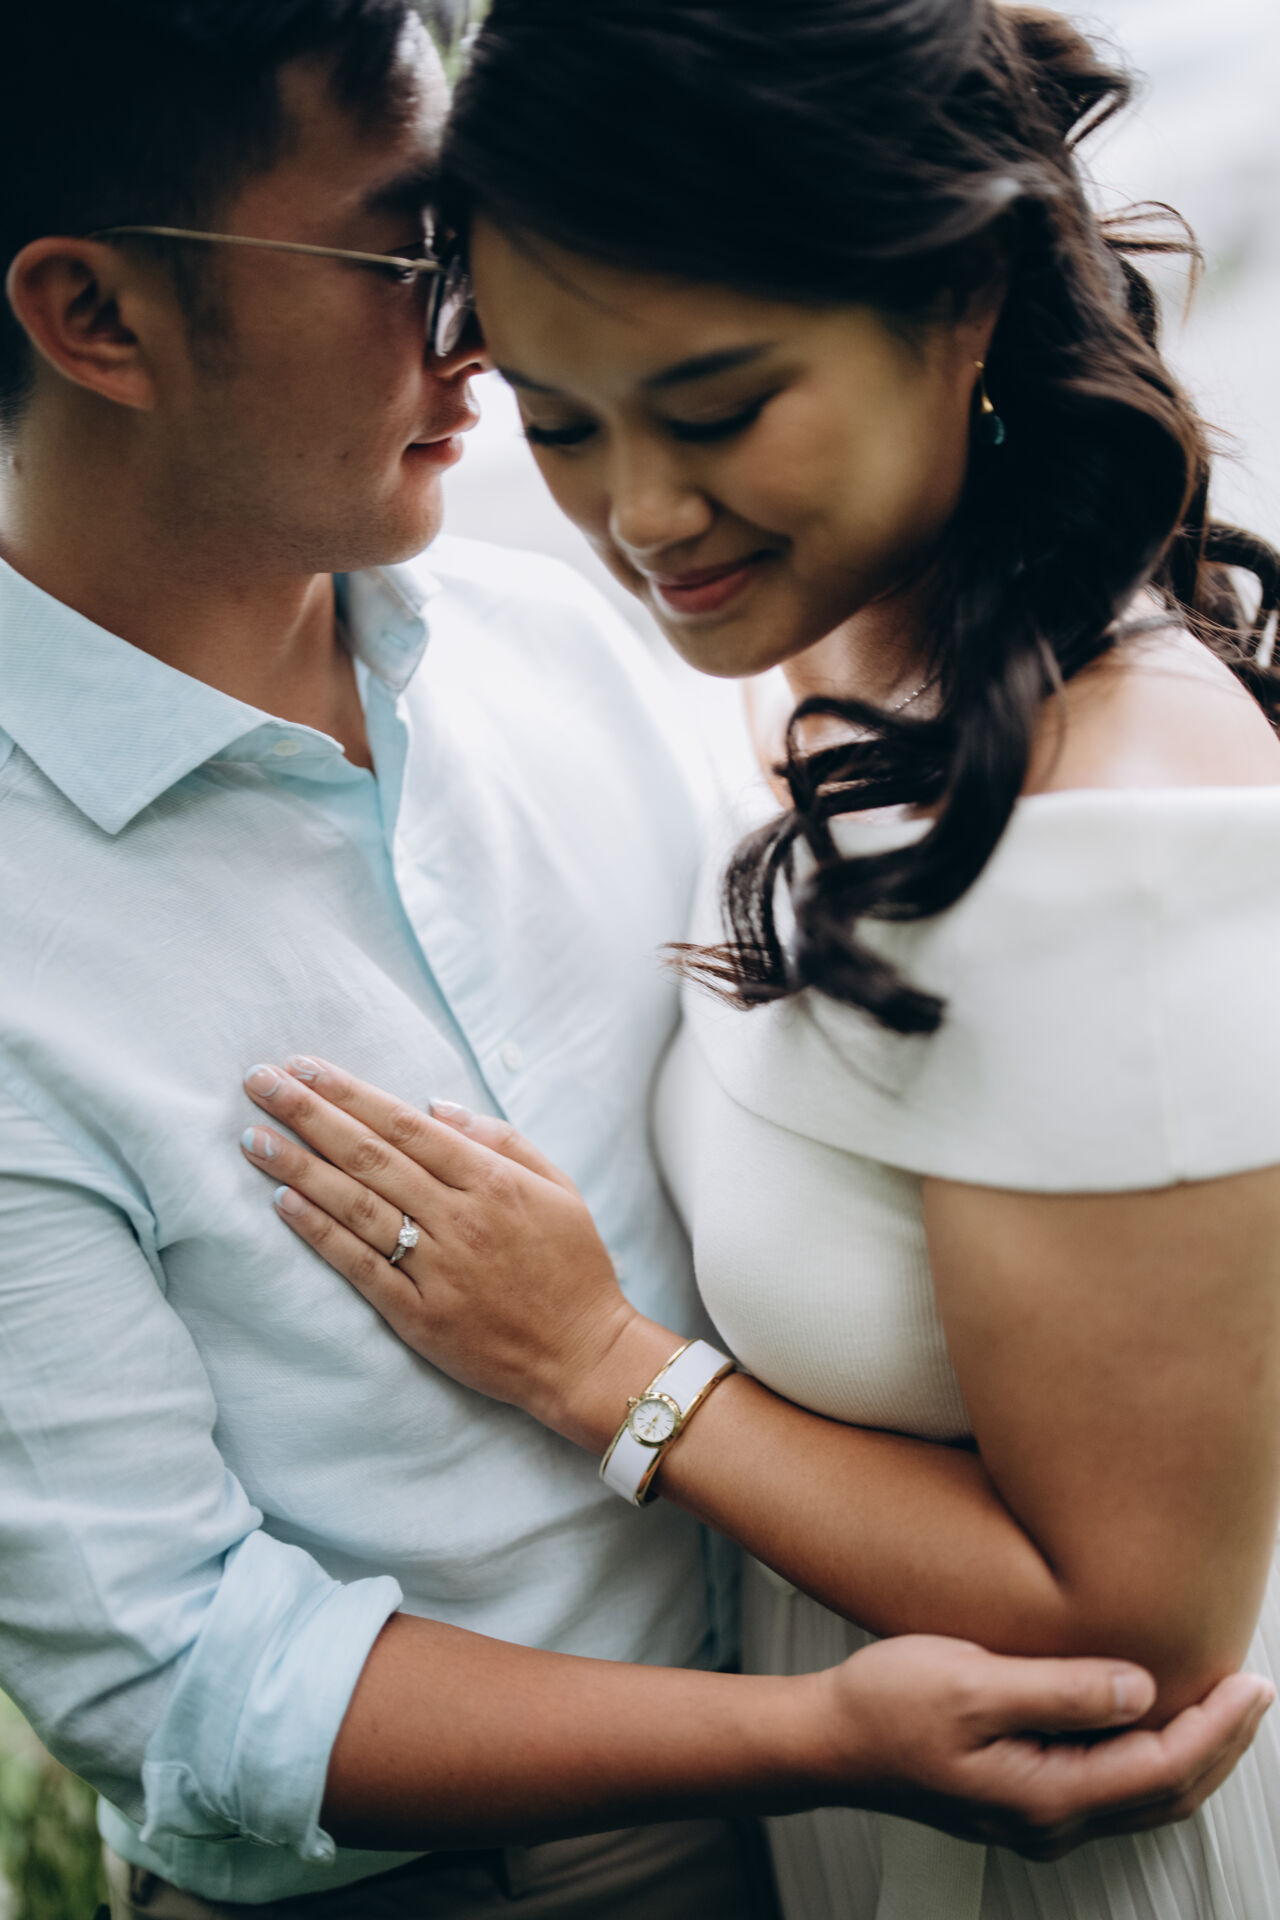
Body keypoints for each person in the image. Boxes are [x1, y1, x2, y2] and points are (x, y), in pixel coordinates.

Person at [2, 3, 1263, 1917]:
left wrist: (613, 1374)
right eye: (410, 258)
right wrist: (815, 1738)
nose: (480, 338)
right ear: (97, 316)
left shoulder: (587, 649)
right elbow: (178, 1679)